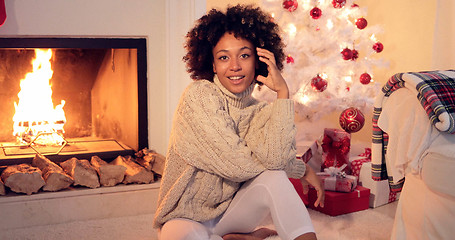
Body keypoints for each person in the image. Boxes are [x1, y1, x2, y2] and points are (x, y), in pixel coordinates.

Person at [153, 4, 325, 240]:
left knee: (273, 177)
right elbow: (237, 165)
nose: (234, 66)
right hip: (185, 217)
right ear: (212, 64)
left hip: (231, 215)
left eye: (244, 55)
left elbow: (274, 162)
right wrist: (298, 168)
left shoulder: (261, 111)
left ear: (258, 60)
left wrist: (283, 94)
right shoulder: (199, 96)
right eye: (224, 57)